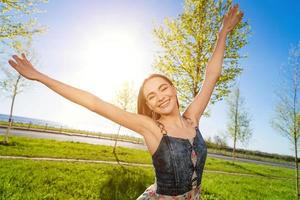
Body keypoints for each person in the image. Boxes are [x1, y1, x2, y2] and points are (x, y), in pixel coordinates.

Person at [7, 4, 243, 200]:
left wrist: (223, 33)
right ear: (149, 106)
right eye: (151, 96)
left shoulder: (192, 119)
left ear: (174, 89)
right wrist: (40, 77)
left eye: (163, 88)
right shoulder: (152, 129)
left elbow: (211, 76)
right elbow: (94, 103)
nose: (160, 97)